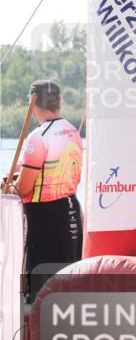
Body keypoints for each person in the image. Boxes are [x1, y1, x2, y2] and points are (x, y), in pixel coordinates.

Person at [12, 80, 83, 303]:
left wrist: (10, 183)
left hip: (44, 215)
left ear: (32, 104)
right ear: (59, 101)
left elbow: (24, 188)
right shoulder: (72, 131)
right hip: (70, 207)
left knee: (40, 285)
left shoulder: (38, 137)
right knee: (68, 279)